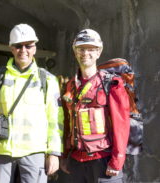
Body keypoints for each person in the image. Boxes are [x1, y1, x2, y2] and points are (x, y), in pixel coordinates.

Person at [0, 23, 64, 183]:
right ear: (11, 48)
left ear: (34, 48)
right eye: (18, 46)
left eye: (28, 46)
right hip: (1, 151)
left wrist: (54, 153)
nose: (23, 50)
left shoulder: (48, 80)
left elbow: (55, 120)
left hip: (34, 153)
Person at [60, 29, 130, 183]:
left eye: (91, 49)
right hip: (76, 161)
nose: (86, 53)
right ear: (75, 52)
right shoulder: (71, 85)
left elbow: (121, 125)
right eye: (81, 49)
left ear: (99, 52)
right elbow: (67, 123)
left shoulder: (111, 83)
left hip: (103, 161)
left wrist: (117, 160)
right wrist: (64, 156)